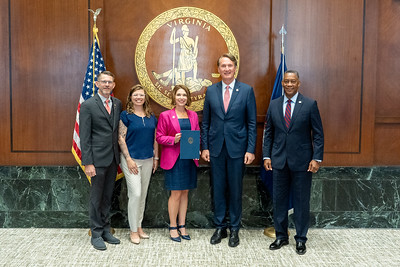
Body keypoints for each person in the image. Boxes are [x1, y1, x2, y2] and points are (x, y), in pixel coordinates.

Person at [262, 70, 324, 255]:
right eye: (286, 81)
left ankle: (301, 239)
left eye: (293, 81)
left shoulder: (309, 104)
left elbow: (318, 134)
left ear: (298, 83)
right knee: (279, 201)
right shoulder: (274, 105)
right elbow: (269, 134)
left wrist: (317, 158)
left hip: (303, 162)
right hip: (279, 161)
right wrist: (267, 156)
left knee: (301, 202)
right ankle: (281, 237)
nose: (289, 84)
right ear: (282, 83)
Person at [201, 53, 257, 247]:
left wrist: (250, 149)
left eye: (229, 65)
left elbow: (251, 123)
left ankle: (234, 229)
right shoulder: (211, 91)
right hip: (216, 149)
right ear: (218, 69)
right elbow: (206, 122)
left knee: (235, 190)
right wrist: (205, 146)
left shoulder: (247, 91)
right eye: (223, 66)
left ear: (235, 68)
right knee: (217, 189)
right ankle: (220, 227)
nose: (226, 69)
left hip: (238, 149)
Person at [80, 70, 122, 251]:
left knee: (107, 197)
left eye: (110, 82)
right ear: (97, 84)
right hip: (96, 160)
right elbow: (85, 136)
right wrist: (88, 162)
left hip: (113, 158)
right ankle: (96, 233)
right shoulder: (88, 105)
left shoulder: (117, 103)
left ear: (113, 85)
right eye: (103, 82)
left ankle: (106, 229)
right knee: (96, 198)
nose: (107, 85)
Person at [156, 84, 200, 242]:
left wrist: (197, 149)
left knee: (185, 192)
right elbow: (159, 137)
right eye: (179, 95)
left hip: (189, 158)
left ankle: (182, 225)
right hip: (173, 160)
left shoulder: (193, 115)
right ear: (174, 97)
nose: (182, 97)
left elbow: (196, 135)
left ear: (188, 98)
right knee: (175, 193)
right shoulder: (166, 115)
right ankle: (173, 226)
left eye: (184, 95)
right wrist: (172, 139)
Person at [118, 84, 159, 245]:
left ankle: (139, 226)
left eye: (141, 95)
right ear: (131, 97)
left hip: (148, 159)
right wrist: (128, 159)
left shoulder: (150, 116)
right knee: (135, 194)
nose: (139, 98)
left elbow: (155, 138)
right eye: (136, 95)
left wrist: (156, 159)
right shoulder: (125, 115)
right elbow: (121, 138)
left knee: (142, 195)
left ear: (145, 98)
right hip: (131, 159)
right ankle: (133, 230)